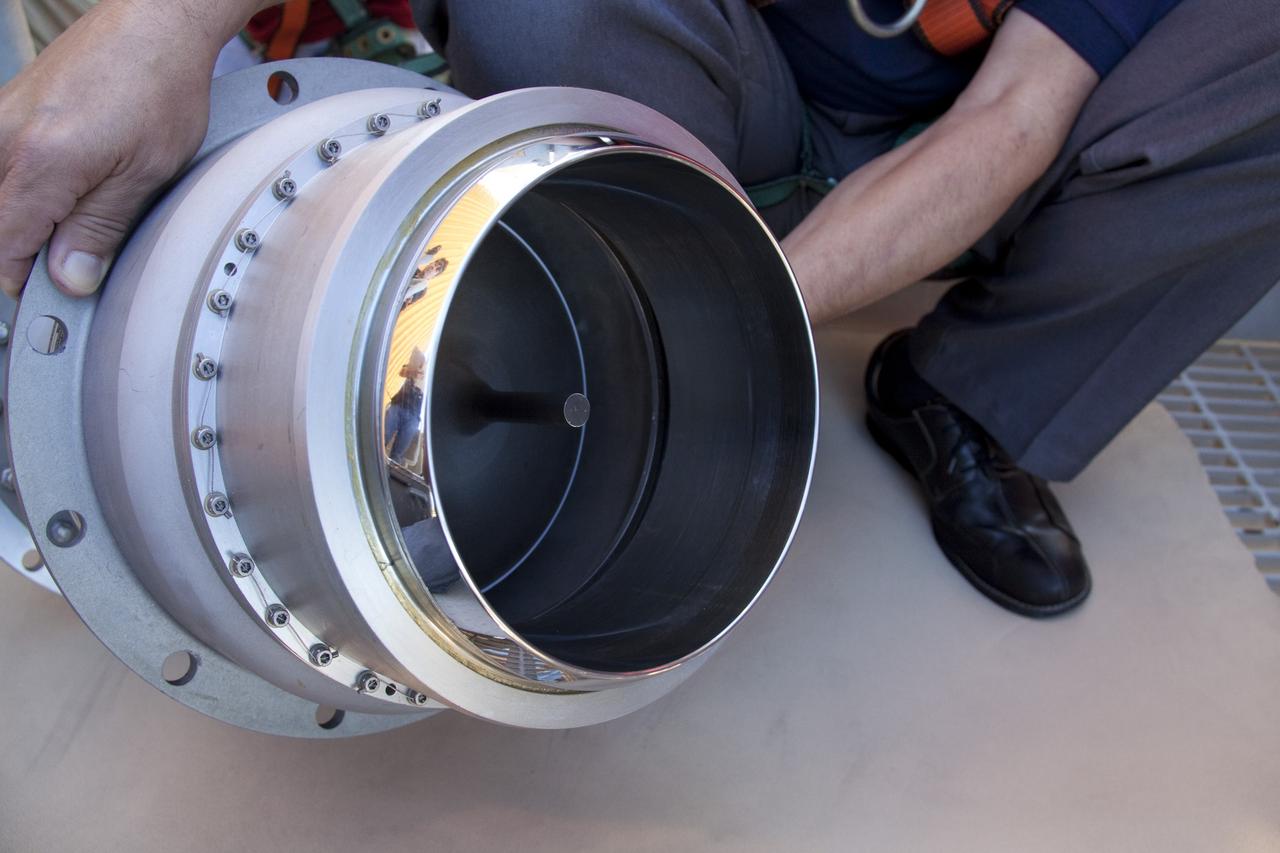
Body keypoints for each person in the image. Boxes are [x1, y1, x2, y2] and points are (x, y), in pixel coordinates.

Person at [0, 0, 1276, 618]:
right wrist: (162, 25)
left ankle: (971, 391)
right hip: (718, 70)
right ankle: (599, 236)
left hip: (970, 141)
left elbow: (1011, 120)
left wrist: (737, 324)